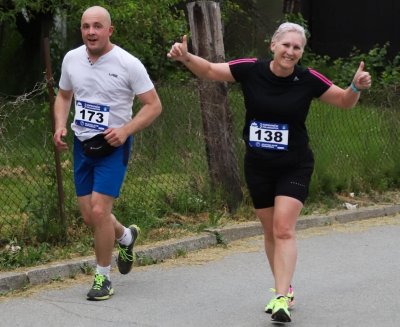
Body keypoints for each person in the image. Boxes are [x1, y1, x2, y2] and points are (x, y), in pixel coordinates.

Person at [167, 22, 371, 323]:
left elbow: (343, 101)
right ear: (273, 46)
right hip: (258, 164)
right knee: (270, 231)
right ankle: (284, 287)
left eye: (297, 47)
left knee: (283, 228)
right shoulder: (251, 69)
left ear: (301, 53)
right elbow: (210, 70)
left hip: (295, 164)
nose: (291, 51)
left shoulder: (308, 78)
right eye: (286, 45)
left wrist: (355, 87)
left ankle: (279, 299)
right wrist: (185, 57)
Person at [53, 6, 162, 301]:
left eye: (98, 26)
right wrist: (60, 125)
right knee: (91, 217)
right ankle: (126, 236)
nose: (91, 32)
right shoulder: (72, 59)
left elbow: (154, 105)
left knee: (100, 211)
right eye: (86, 26)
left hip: (113, 146)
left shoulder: (128, 63)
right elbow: (64, 96)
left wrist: (126, 130)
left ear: (109, 30)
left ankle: (103, 277)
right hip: (83, 144)